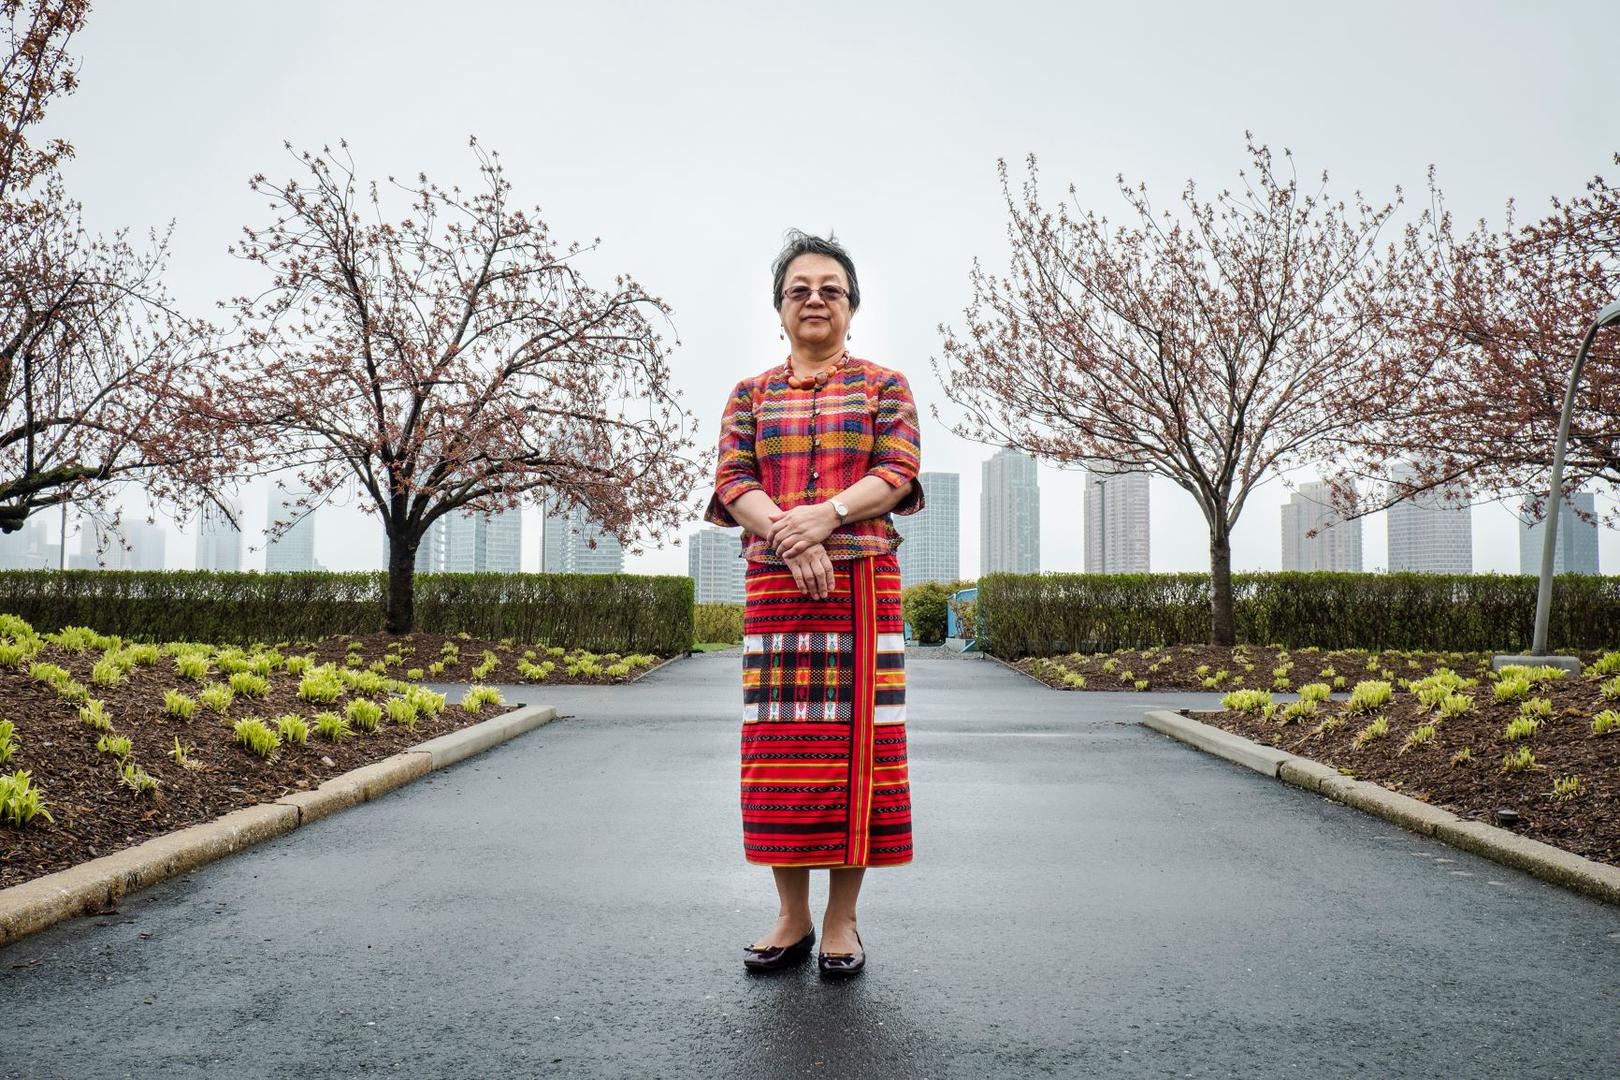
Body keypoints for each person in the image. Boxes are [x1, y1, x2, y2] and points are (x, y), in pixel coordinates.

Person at [704, 229, 923, 978]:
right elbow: (733, 481)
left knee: (860, 749)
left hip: (860, 584)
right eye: (800, 288)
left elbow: (898, 469)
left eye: (831, 287)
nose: (816, 299)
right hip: (775, 588)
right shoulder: (750, 394)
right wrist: (791, 538)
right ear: (780, 308)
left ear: (852, 307)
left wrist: (825, 518)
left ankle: (842, 921)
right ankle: (791, 917)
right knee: (780, 754)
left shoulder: (885, 386)